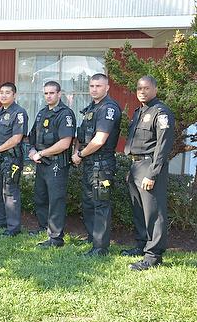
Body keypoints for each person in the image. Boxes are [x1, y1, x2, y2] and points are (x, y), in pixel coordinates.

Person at [123, 75, 174, 271]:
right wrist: (132, 169)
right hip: (136, 165)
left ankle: (153, 256)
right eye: (139, 88)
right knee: (139, 210)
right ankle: (141, 245)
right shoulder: (140, 112)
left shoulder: (161, 112)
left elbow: (162, 146)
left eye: (146, 88)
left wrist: (152, 174)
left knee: (153, 212)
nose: (142, 92)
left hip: (149, 166)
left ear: (155, 89)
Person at [71, 74, 121, 256]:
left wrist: (80, 155)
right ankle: (93, 238)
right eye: (91, 86)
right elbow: (82, 135)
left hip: (102, 165)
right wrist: (77, 152)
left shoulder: (108, 108)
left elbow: (99, 140)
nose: (94, 89)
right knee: (88, 202)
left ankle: (100, 248)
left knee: (100, 204)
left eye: (98, 86)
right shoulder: (92, 108)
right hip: (89, 163)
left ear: (107, 87)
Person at [28, 81, 76, 247]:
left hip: (56, 164)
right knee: (40, 197)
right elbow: (32, 136)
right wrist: (32, 151)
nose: (48, 96)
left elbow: (65, 143)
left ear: (59, 94)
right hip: (41, 163)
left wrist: (41, 153)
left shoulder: (65, 114)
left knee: (56, 200)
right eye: (46, 93)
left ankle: (56, 238)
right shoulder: (42, 113)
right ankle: (44, 227)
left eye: (52, 93)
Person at [0, 82, 28, 237]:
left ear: (14, 95)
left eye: (7, 92)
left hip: (11, 159)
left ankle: (13, 228)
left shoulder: (19, 113)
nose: (3, 95)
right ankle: (0, 221)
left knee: (10, 192)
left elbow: (16, 139)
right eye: (1, 92)